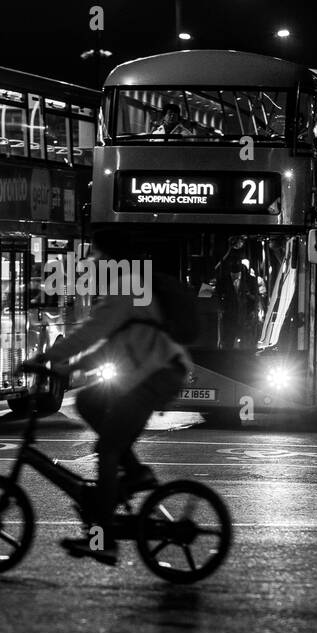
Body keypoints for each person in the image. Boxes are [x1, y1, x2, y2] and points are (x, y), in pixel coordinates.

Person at [32, 229, 190, 566]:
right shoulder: (128, 288)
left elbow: (91, 332)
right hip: (152, 373)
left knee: (107, 449)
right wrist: (71, 367)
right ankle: (135, 474)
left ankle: (102, 539)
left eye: (96, 255)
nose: (90, 261)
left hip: (157, 377)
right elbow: (110, 344)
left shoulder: (125, 289)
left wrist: (46, 358)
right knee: (88, 402)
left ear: (110, 258)